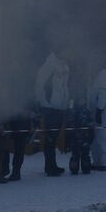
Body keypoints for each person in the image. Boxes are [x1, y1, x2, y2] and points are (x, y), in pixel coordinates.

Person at [34, 46, 71, 177]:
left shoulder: (64, 65)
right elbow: (39, 84)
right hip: (50, 107)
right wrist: (42, 102)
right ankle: (50, 167)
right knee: (50, 138)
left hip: (60, 106)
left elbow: (64, 86)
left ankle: (51, 165)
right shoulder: (49, 65)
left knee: (54, 138)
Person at [90, 59, 106, 171]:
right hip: (96, 110)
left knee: (102, 135)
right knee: (95, 137)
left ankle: (105, 162)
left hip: (102, 111)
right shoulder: (97, 76)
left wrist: (99, 110)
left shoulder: (102, 76)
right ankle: (97, 161)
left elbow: (102, 94)